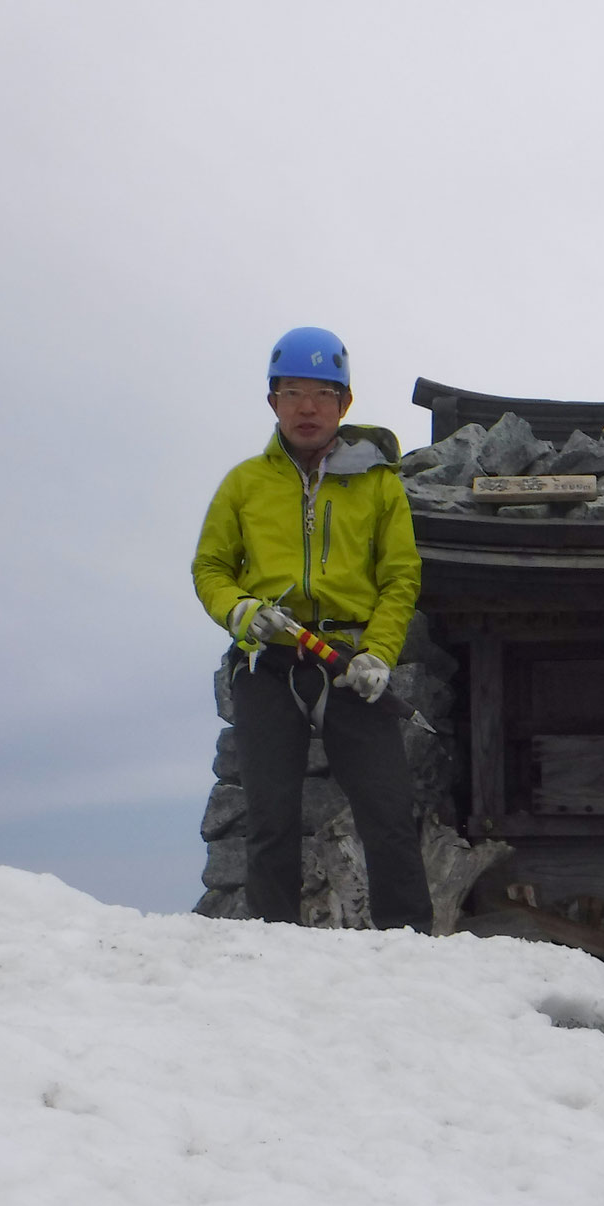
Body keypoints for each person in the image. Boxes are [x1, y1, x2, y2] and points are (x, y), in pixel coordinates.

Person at [192, 326, 434, 932]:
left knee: (387, 813)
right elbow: (211, 568)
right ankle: (273, 952)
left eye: (323, 393)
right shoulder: (244, 484)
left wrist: (379, 652)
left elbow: (400, 576)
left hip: (350, 662)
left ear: (345, 404)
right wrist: (238, 610)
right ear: (272, 402)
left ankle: (412, 950)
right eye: (292, 392)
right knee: (270, 817)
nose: (307, 407)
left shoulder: (378, 483)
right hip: (266, 661)